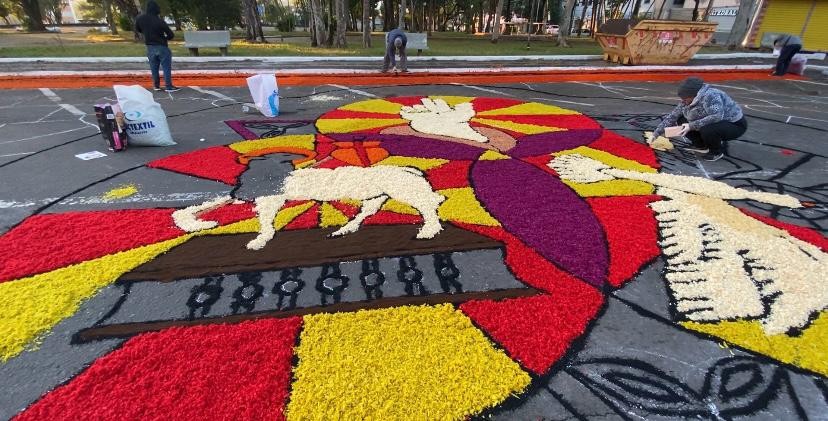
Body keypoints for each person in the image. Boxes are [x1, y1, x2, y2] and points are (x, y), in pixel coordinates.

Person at [653, 77, 747, 162]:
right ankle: (701, 145)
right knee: (681, 119)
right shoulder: (686, 100)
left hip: (734, 124)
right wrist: (656, 133)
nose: (683, 101)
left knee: (708, 129)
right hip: (716, 122)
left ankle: (716, 151)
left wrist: (691, 126)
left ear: (693, 95)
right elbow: (672, 116)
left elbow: (716, 116)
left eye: (685, 98)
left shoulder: (711, 95)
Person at [135, 0, 179, 92]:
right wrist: (165, 38)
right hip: (162, 46)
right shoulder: (159, 21)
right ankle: (168, 86)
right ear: (156, 9)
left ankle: (156, 85)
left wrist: (146, 33)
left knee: (154, 67)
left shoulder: (140, 19)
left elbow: (138, 29)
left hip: (150, 46)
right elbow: (171, 35)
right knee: (166, 67)